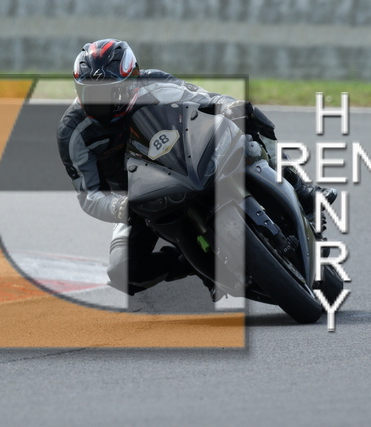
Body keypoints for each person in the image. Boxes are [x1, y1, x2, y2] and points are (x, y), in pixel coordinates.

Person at [57, 39, 336, 298]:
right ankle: (192, 263)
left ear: (132, 81)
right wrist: (121, 207)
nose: (100, 102)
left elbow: (207, 100)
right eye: (90, 93)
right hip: (137, 200)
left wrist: (230, 107)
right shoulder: (72, 132)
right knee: (123, 272)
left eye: (109, 92)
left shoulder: (154, 84)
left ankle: (301, 189)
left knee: (249, 122)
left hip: (188, 160)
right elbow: (88, 195)